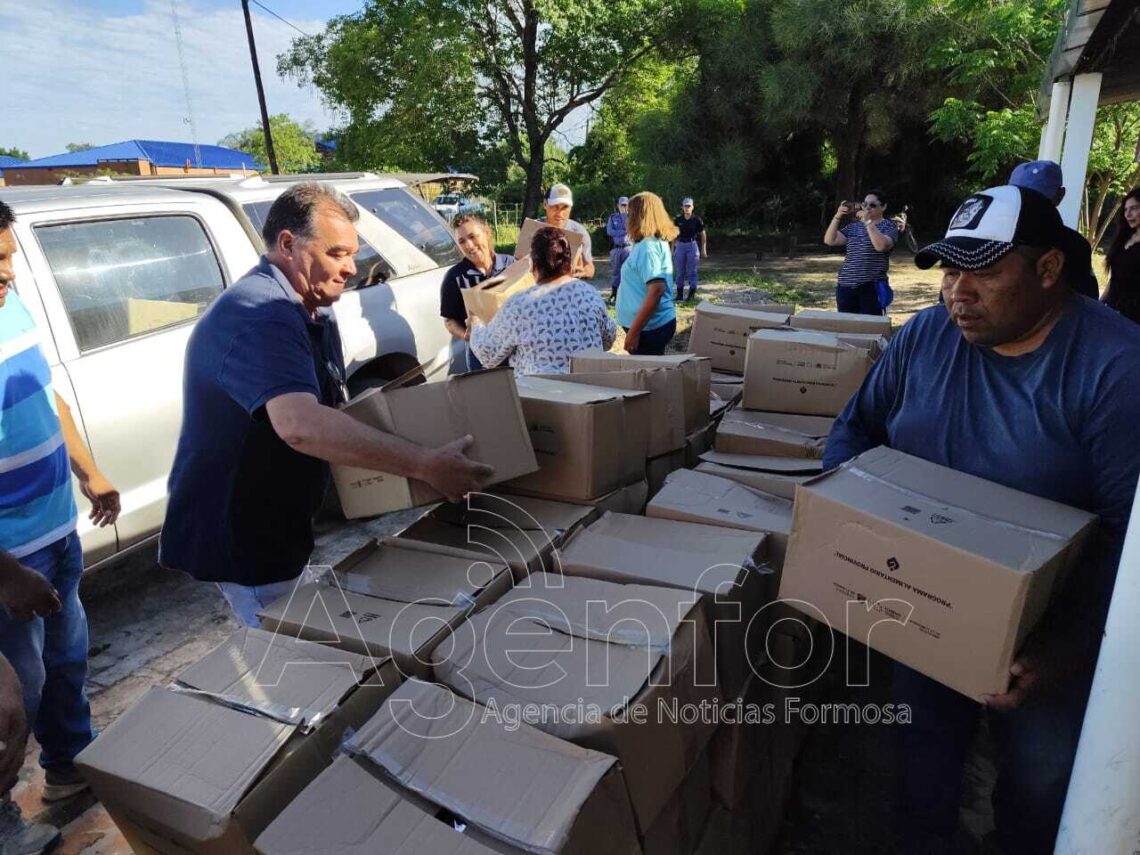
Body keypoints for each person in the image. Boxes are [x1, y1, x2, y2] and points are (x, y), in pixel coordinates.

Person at [823, 185, 1140, 854]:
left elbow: (1128, 536)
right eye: (948, 268)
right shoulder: (926, 336)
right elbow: (854, 433)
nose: (956, 291)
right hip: (921, 613)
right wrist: (850, 544)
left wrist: (1065, 650)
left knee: (1038, 786)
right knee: (921, 767)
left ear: (1048, 269)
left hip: (1045, 647)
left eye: (984, 270)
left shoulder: (1116, 369)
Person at [160, 183, 494, 627]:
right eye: (337, 254)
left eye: (352, 254)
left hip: (280, 520)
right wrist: (424, 464)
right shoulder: (261, 313)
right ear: (287, 245)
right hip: (243, 534)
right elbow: (301, 424)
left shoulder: (311, 306)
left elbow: (331, 407)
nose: (352, 269)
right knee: (289, 655)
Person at [0, 199, 121, 826]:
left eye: (9, 257)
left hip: (57, 532)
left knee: (66, 662)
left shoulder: (8, 306)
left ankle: (71, 771)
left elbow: (46, 397)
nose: (9, 275)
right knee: (12, 701)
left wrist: (88, 470)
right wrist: (6, 574)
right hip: (8, 561)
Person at [469, 227, 615, 376]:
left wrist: (475, 322)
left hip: (541, 395)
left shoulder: (519, 305)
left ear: (533, 265)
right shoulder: (590, 295)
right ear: (569, 262)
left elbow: (487, 355)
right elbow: (608, 339)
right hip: (590, 392)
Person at [1009, 159, 1100, 299]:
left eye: (1039, 199)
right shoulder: (1076, 244)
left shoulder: (1076, 246)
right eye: (1023, 196)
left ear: (1060, 195)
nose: (1030, 204)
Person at [439, 213, 514, 373]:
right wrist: (466, 335)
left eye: (473, 236)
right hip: (480, 357)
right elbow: (449, 320)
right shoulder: (455, 277)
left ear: (487, 232)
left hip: (515, 350)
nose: (469, 245)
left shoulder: (511, 264)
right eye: (462, 241)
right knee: (485, 396)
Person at [618, 192, 679, 355]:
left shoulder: (648, 247)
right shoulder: (650, 243)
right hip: (650, 326)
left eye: (630, 213)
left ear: (639, 216)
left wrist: (634, 331)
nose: (627, 219)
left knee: (648, 376)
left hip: (649, 328)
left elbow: (657, 289)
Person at [823, 189, 898, 315]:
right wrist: (837, 216)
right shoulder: (854, 226)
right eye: (865, 204)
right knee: (847, 327)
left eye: (872, 205)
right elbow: (830, 240)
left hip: (871, 286)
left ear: (884, 207)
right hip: (845, 285)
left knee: (871, 328)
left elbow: (881, 246)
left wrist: (868, 223)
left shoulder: (889, 226)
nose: (867, 208)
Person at [539, 184, 595, 280]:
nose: (560, 213)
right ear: (545, 204)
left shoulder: (580, 233)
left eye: (565, 208)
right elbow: (518, 262)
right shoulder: (533, 230)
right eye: (555, 207)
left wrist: (584, 271)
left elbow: (590, 267)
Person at [1102, 188, 1140, 324]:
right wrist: (1101, 304)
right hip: (1112, 310)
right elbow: (1114, 278)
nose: (1128, 214)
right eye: (1125, 210)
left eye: (1134, 208)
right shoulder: (1123, 238)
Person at [672, 197, 706, 302]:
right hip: (680, 245)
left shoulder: (697, 220)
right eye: (685, 206)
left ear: (692, 207)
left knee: (692, 271)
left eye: (689, 206)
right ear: (682, 207)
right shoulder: (678, 220)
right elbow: (673, 234)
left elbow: (703, 234)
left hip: (692, 245)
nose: (687, 208)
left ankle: (691, 295)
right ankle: (679, 295)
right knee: (680, 271)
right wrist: (672, 248)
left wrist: (703, 248)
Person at [605, 196, 631, 303]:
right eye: (622, 205)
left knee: (628, 272)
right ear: (618, 206)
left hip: (628, 248)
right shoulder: (612, 217)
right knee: (616, 272)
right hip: (616, 249)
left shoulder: (631, 217)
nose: (623, 207)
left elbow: (630, 230)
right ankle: (614, 294)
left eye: (625, 205)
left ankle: (626, 295)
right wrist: (623, 231)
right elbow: (610, 231)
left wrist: (625, 217)